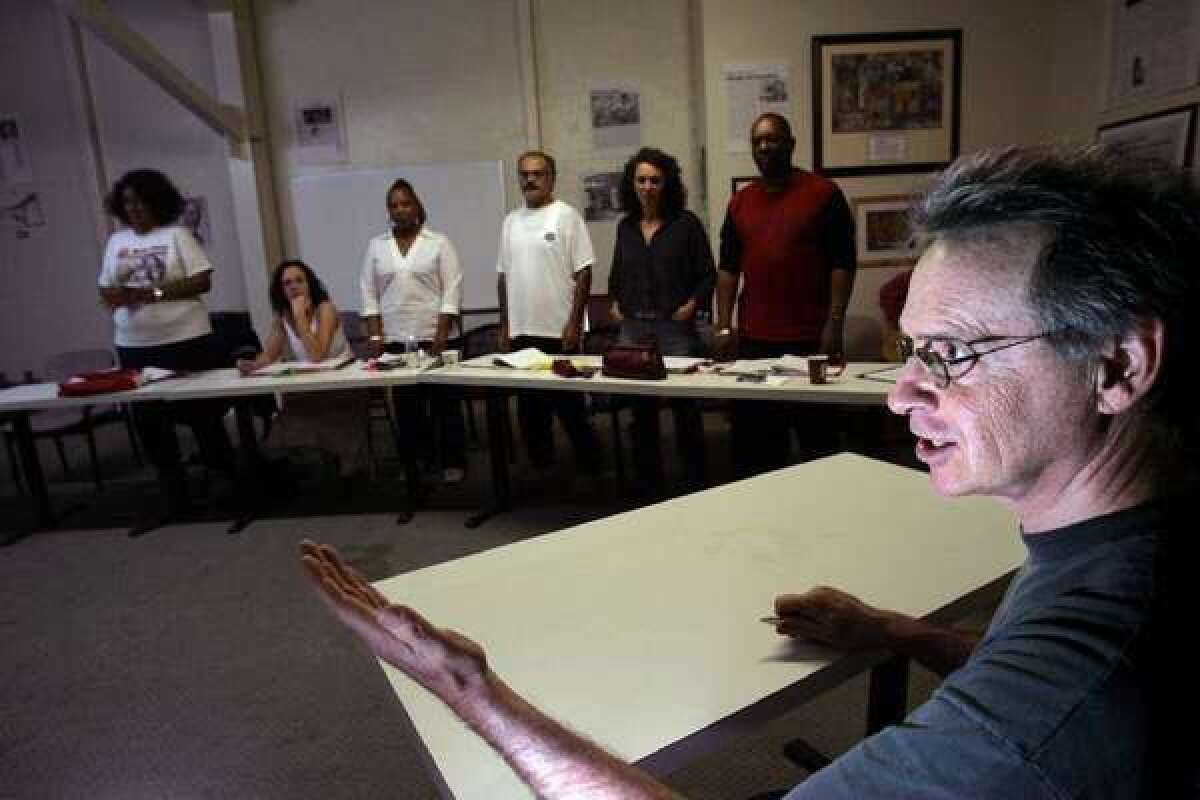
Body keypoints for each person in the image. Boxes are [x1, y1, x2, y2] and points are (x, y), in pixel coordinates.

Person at [301, 145, 1199, 798]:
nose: (902, 394)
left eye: (954, 353)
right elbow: (1026, 673)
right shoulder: (1121, 544)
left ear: (1117, 365)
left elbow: (1042, 708)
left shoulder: (1062, 698)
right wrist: (897, 631)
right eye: (913, 350)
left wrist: (474, 693)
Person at [716, 113, 856, 478]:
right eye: (757, 141)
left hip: (810, 339)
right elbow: (728, 268)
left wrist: (835, 322)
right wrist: (724, 325)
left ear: (791, 144)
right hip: (754, 340)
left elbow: (843, 262)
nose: (764, 147)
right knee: (755, 448)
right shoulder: (740, 203)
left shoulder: (823, 194)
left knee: (819, 445)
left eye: (773, 139)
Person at [97, 168, 236, 532]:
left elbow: (202, 279)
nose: (134, 208)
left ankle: (226, 485)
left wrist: (153, 293)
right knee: (150, 422)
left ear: (157, 202)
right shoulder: (116, 242)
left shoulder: (177, 235)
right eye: (127, 202)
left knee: (202, 414)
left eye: (141, 201)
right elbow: (106, 290)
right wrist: (118, 296)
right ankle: (175, 496)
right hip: (135, 346)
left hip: (185, 340)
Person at [608, 147, 715, 496]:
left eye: (655, 180)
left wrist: (693, 304)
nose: (648, 186)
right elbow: (616, 277)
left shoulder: (686, 224)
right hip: (634, 331)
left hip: (675, 330)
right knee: (642, 412)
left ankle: (695, 483)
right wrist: (615, 304)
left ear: (667, 184)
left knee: (685, 408)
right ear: (632, 184)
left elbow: (707, 275)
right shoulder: (625, 228)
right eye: (641, 180)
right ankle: (648, 486)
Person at [497, 150, 601, 475]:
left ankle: (593, 469)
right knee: (530, 412)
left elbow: (584, 271)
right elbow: (503, 275)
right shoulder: (510, 222)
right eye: (524, 174)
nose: (530, 179)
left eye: (538, 173)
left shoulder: (566, 216)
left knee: (569, 408)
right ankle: (544, 471)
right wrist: (505, 324)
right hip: (523, 333)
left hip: (560, 332)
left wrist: (574, 323)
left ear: (551, 178)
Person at [360, 178, 466, 484]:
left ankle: (453, 460)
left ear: (416, 205)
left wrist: (442, 333)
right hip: (396, 341)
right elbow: (369, 292)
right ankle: (420, 461)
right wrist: (376, 336)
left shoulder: (438, 242)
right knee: (408, 408)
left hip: (436, 337)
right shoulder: (377, 246)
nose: (400, 210)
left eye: (405, 203)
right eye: (393, 205)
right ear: (388, 210)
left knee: (445, 404)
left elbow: (452, 289)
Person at [236, 259, 365, 477]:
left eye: (299, 281)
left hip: (342, 387)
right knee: (290, 418)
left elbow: (318, 355)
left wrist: (301, 319)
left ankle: (344, 468)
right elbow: (269, 355)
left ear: (310, 284)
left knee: (327, 417)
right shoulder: (281, 318)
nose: (293, 286)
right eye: (287, 283)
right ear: (281, 290)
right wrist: (252, 364)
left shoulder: (325, 309)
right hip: (308, 388)